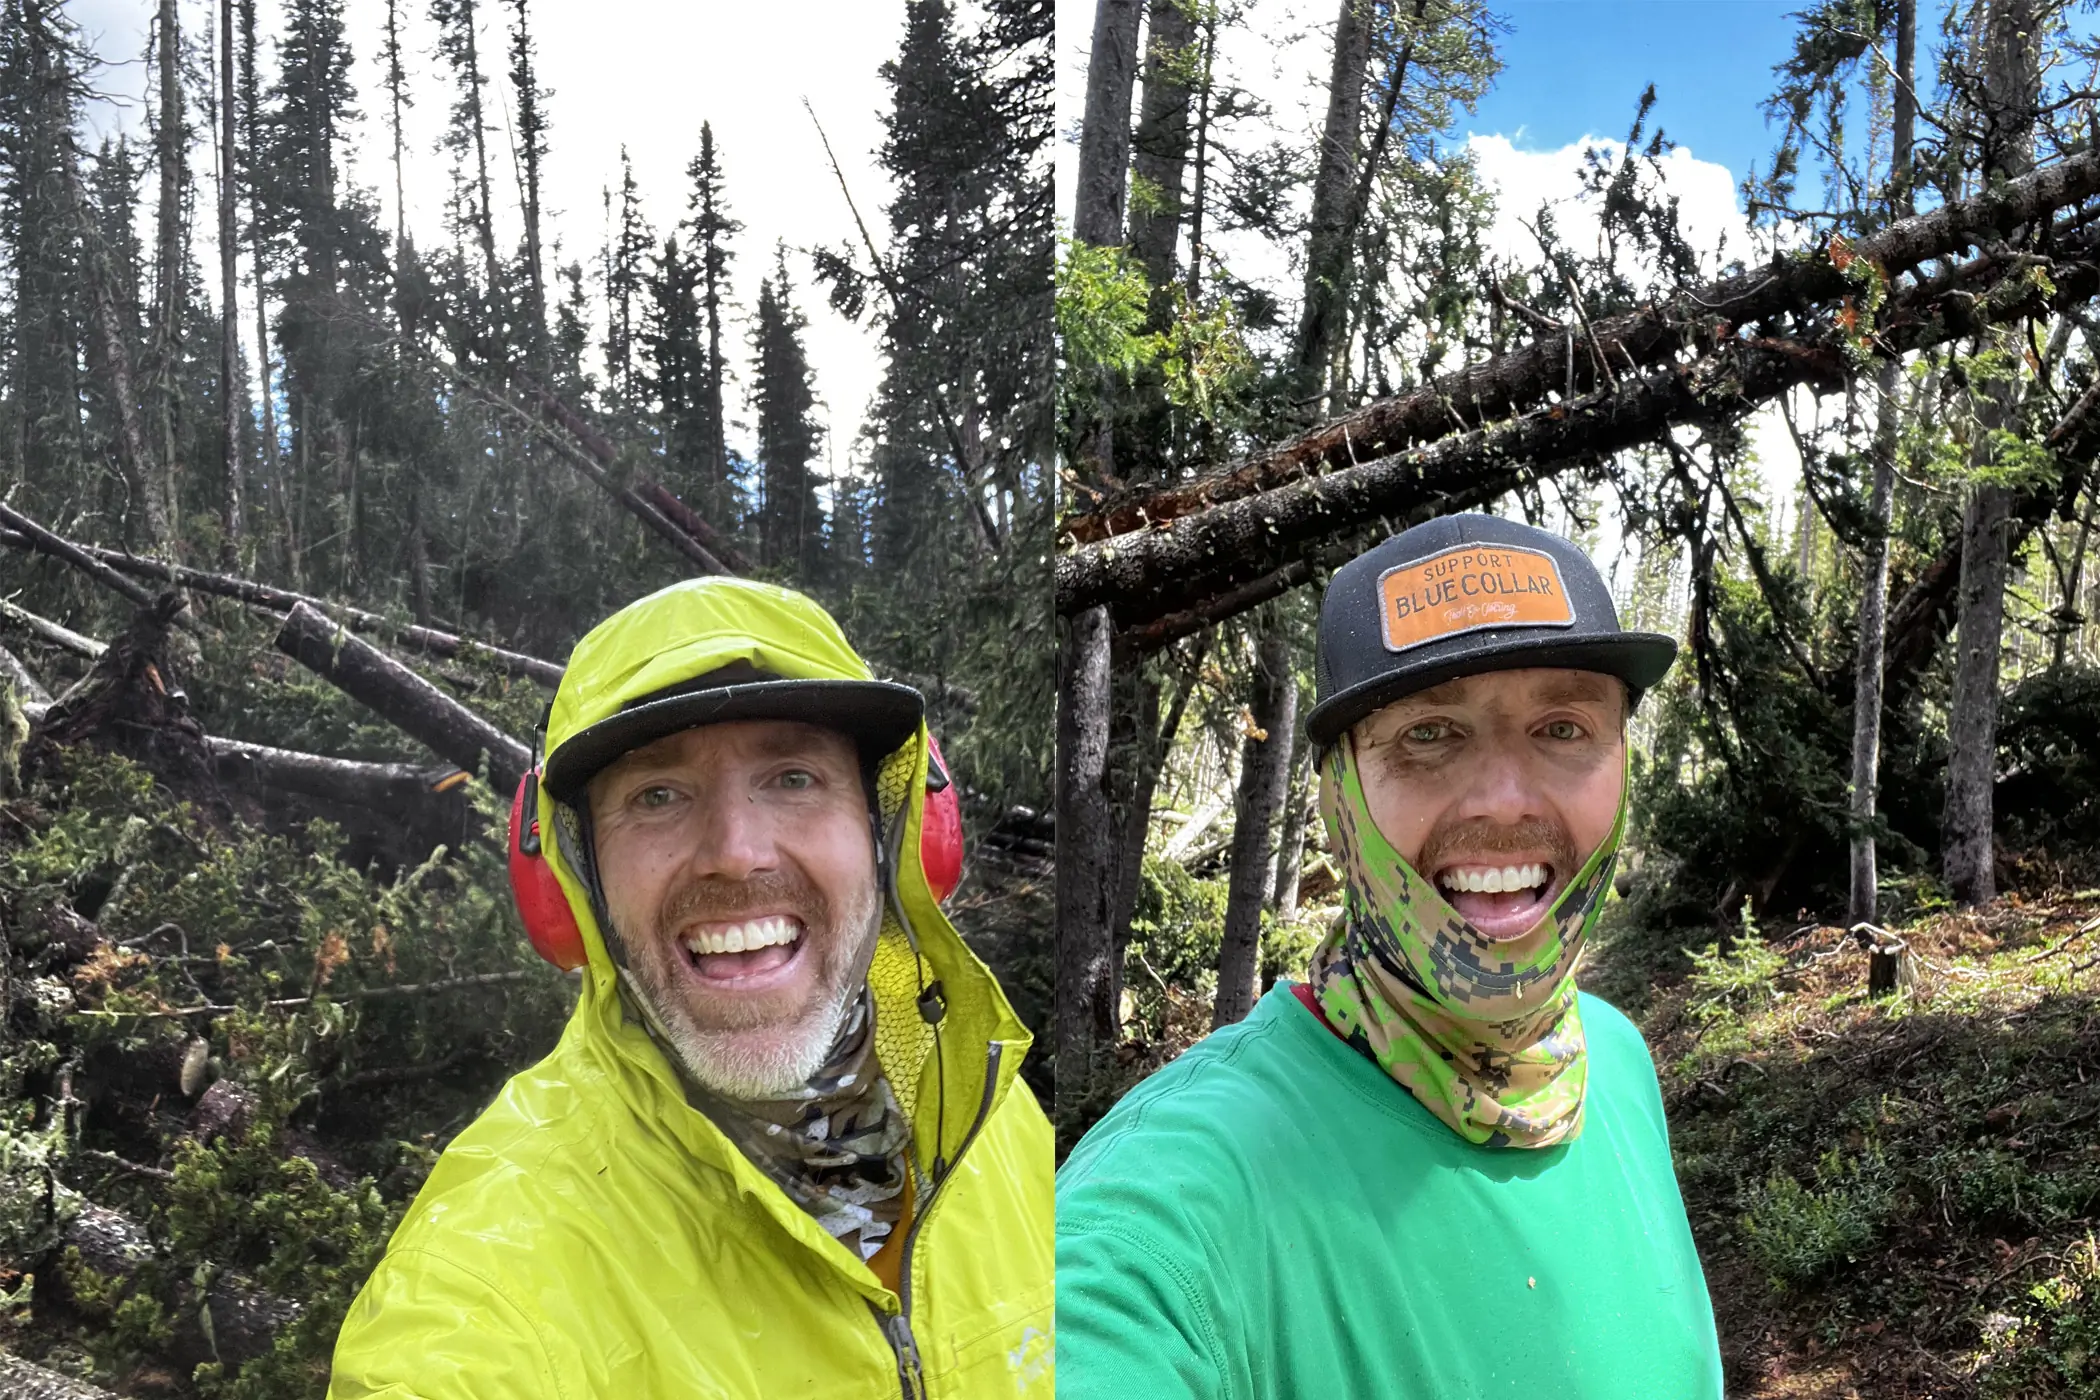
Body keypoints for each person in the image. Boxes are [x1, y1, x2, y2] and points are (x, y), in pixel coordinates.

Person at [329, 577, 1053, 1398]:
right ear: (574, 882)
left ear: (895, 835)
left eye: (793, 778)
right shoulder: (485, 1284)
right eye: (657, 796)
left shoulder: (993, 1121)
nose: (735, 853)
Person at [1055, 514, 1723, 1397]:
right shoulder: (1173, 1205)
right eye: (1428, 735)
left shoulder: (1617, 1065)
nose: (1505, 800)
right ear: (1337, 801)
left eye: (1563, 728)